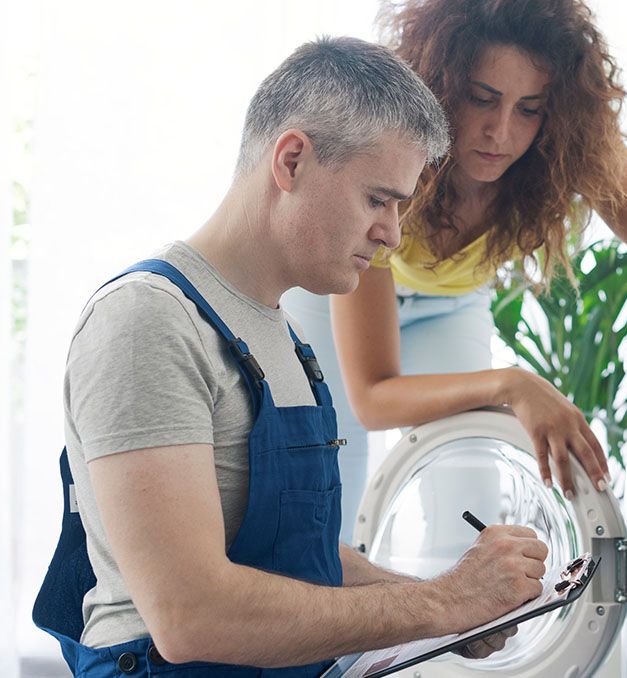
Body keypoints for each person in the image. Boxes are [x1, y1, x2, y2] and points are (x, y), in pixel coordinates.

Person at [33, 37, 546, 676]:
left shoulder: (284, 339)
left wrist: (444, 602)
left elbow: (296, 556)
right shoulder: (148, 320)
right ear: (293, 159)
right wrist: (441, 604)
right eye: (378, 199)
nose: (393, 233)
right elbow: (190, 616)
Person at [281, 0, 627, 538]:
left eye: (529, 108)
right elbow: (373, 395)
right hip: (332, 289)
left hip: (450, 303)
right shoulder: (391, 141)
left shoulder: (571, 145)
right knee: (327, 484)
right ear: (440, 85)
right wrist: (514, 385)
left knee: (470, 503)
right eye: (481, 99)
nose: (501, 132)